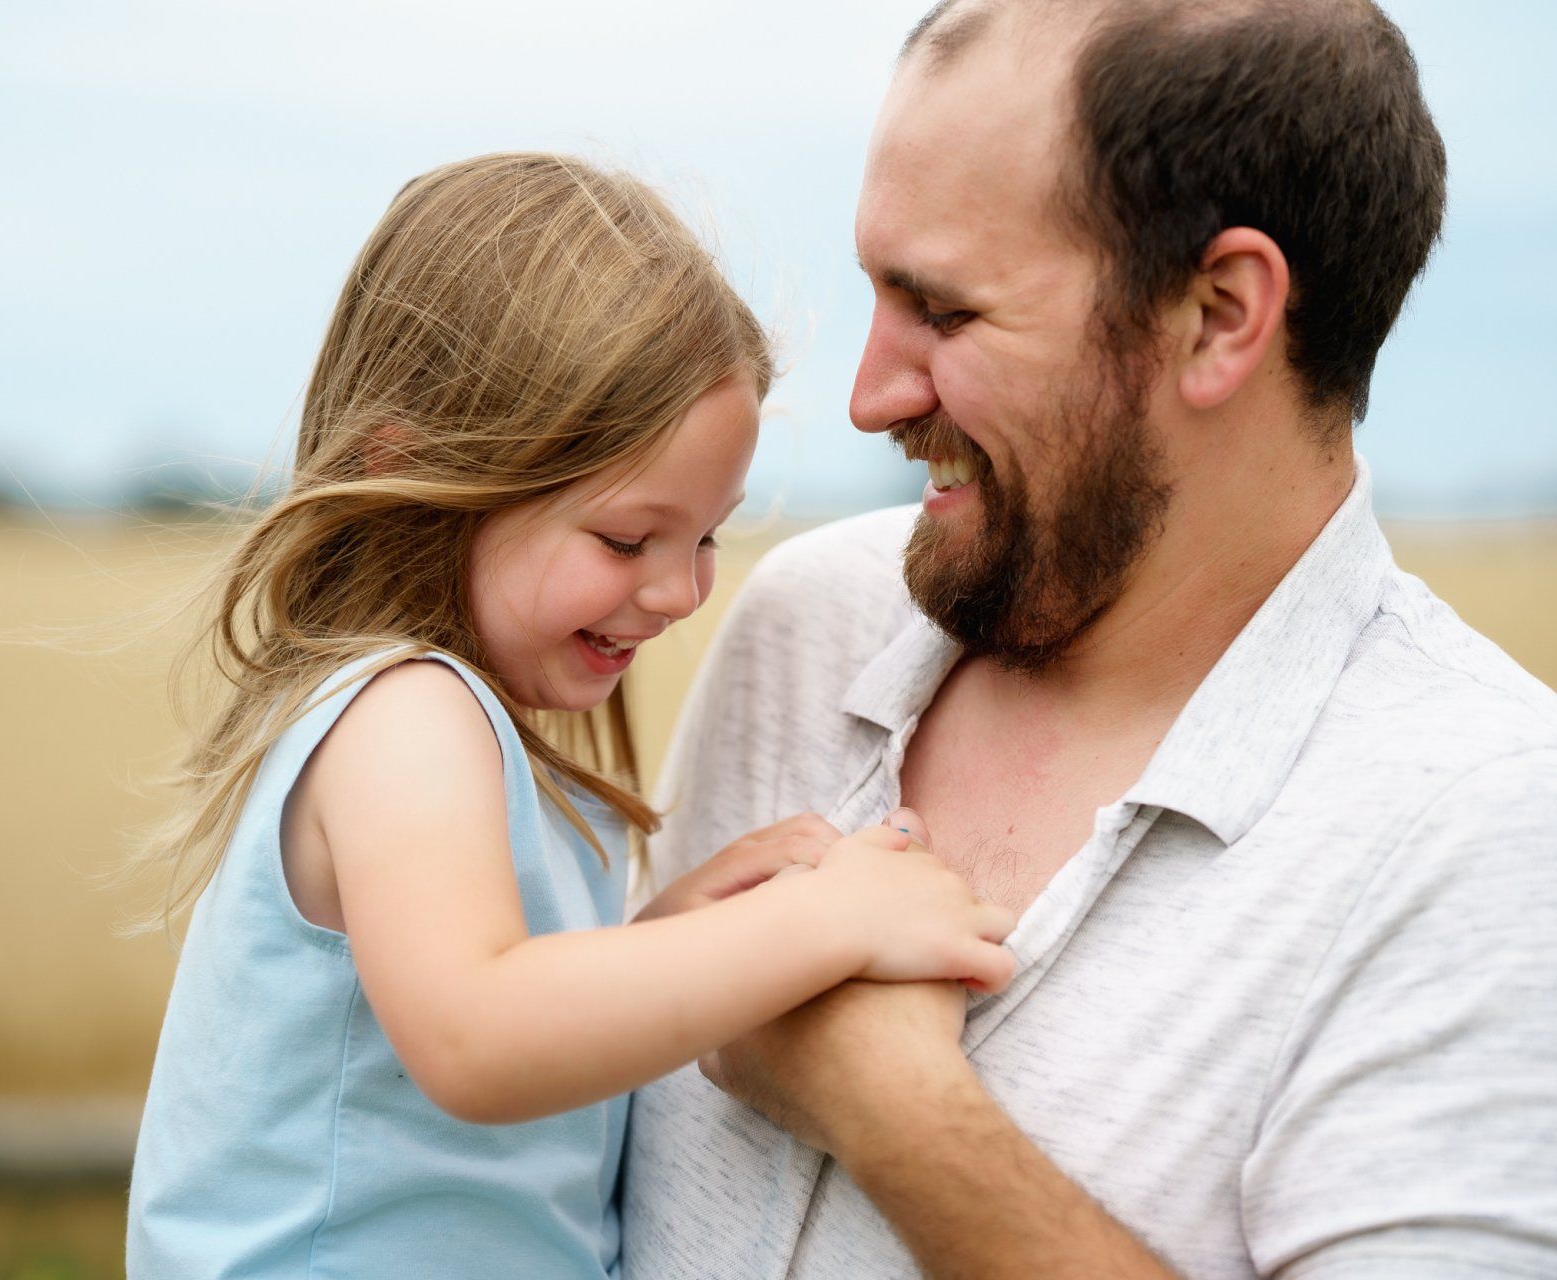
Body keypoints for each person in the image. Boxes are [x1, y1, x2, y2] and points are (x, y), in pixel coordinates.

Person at [623, 3, 1557, 1278]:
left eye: (945, 312)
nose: (871, 394)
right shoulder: (799, 625)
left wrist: (899, 1112)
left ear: (1218, 313)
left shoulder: (1513, 858)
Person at [122, 152, 1016, 1278]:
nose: (678, 590)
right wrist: (822, 924)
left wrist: (667, 937)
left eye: (702, 537)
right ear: (416, 469)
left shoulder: (447, 722)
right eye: (625, 537)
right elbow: (476, 1038)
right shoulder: (405, 714)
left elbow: (491, 1041)